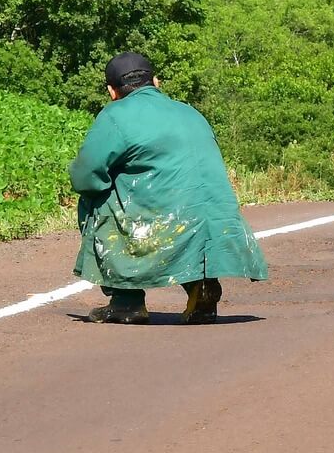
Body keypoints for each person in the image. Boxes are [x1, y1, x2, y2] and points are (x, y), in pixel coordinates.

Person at [69, 52, 268, 324]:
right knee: (188, 203)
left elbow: (86, 176)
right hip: (213, 222)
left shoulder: (116, 114)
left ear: (111, 91)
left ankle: (126, 301)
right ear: (156, 82)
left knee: (95, 199)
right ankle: (201, 285)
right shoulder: (190, 112)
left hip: (163, 221)